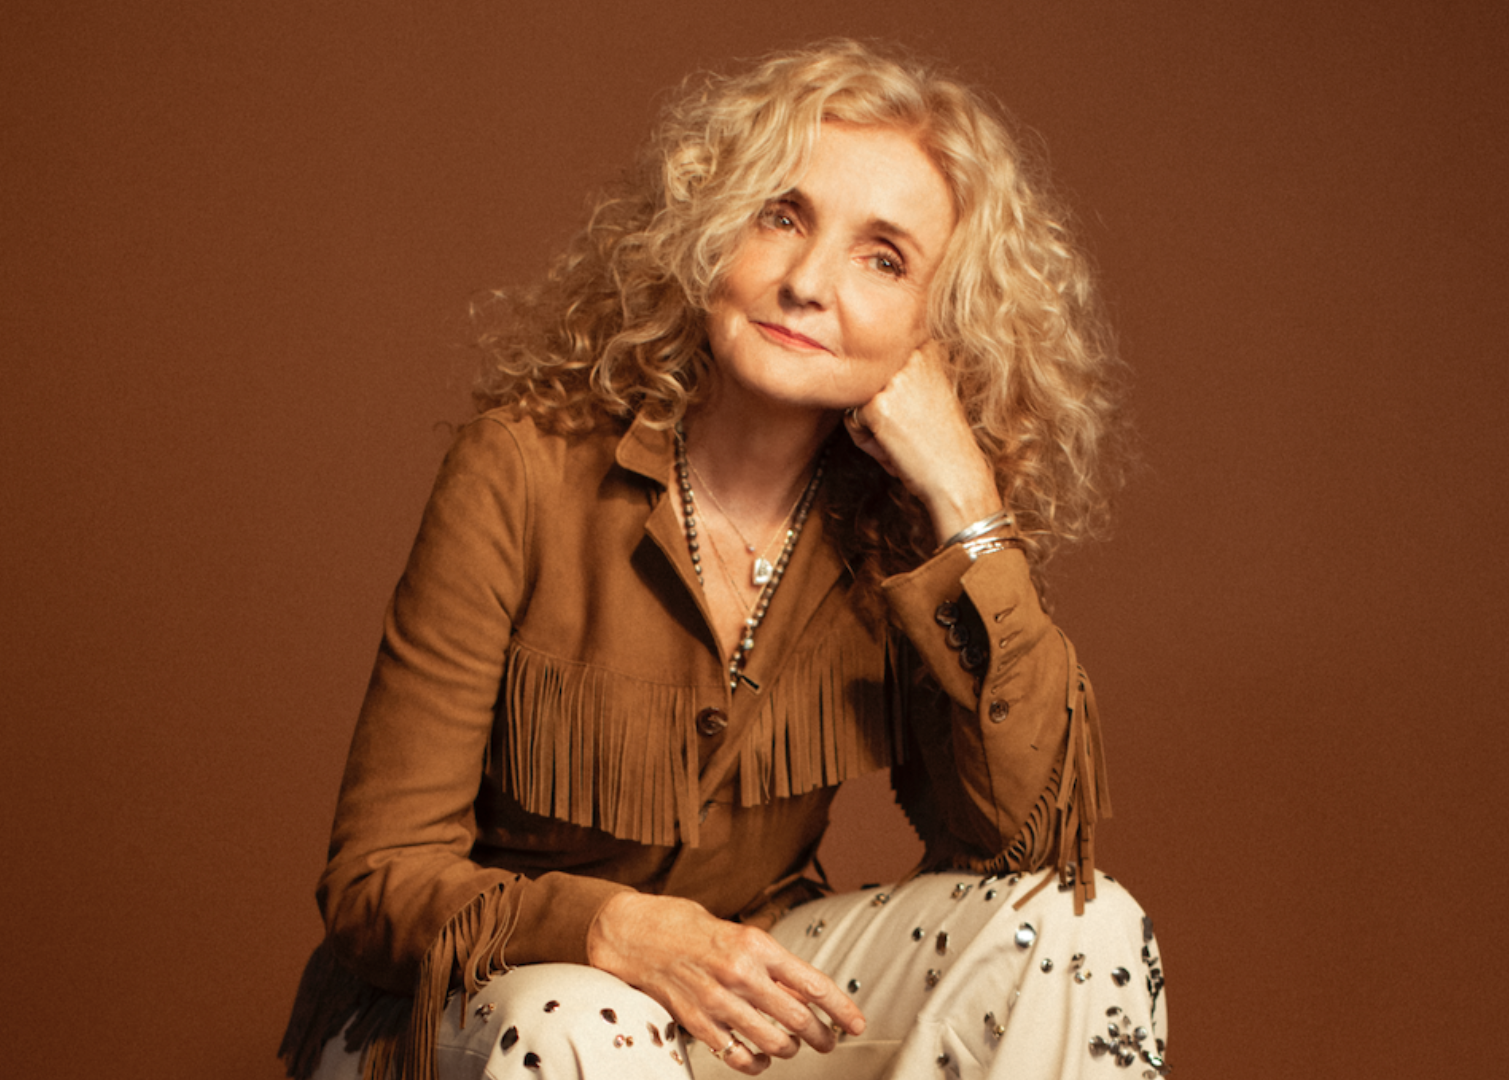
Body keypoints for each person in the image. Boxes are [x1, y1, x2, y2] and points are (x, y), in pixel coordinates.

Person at [280, 39, 1166, 1080]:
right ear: (709, 226)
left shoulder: (894, 529)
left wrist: (967, 508)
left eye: (882, 259)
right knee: (578, 1016)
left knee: (1081, 924)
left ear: (939, 327)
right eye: (781, 216)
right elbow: (376, 878)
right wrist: (609, 927)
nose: (805, 283)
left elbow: (1023, 852)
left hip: (733, 1004)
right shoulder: (522, 466)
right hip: (485, 1005)